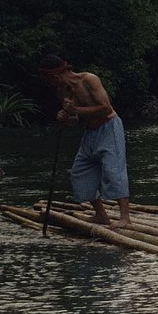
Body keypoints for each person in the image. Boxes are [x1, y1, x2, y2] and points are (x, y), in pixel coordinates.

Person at [39, 54, 132, 228]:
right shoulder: (63, 91)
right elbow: (75, 119)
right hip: (90, 132)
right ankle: (101, 214)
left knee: (113, 171)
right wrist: (65, 118)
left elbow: (106, 108)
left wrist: (76, 109)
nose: (49, 84)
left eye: (48, 80)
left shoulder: (89, 79)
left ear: (54, 76)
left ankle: (125, 218)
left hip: (109, 127)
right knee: (80, 172)